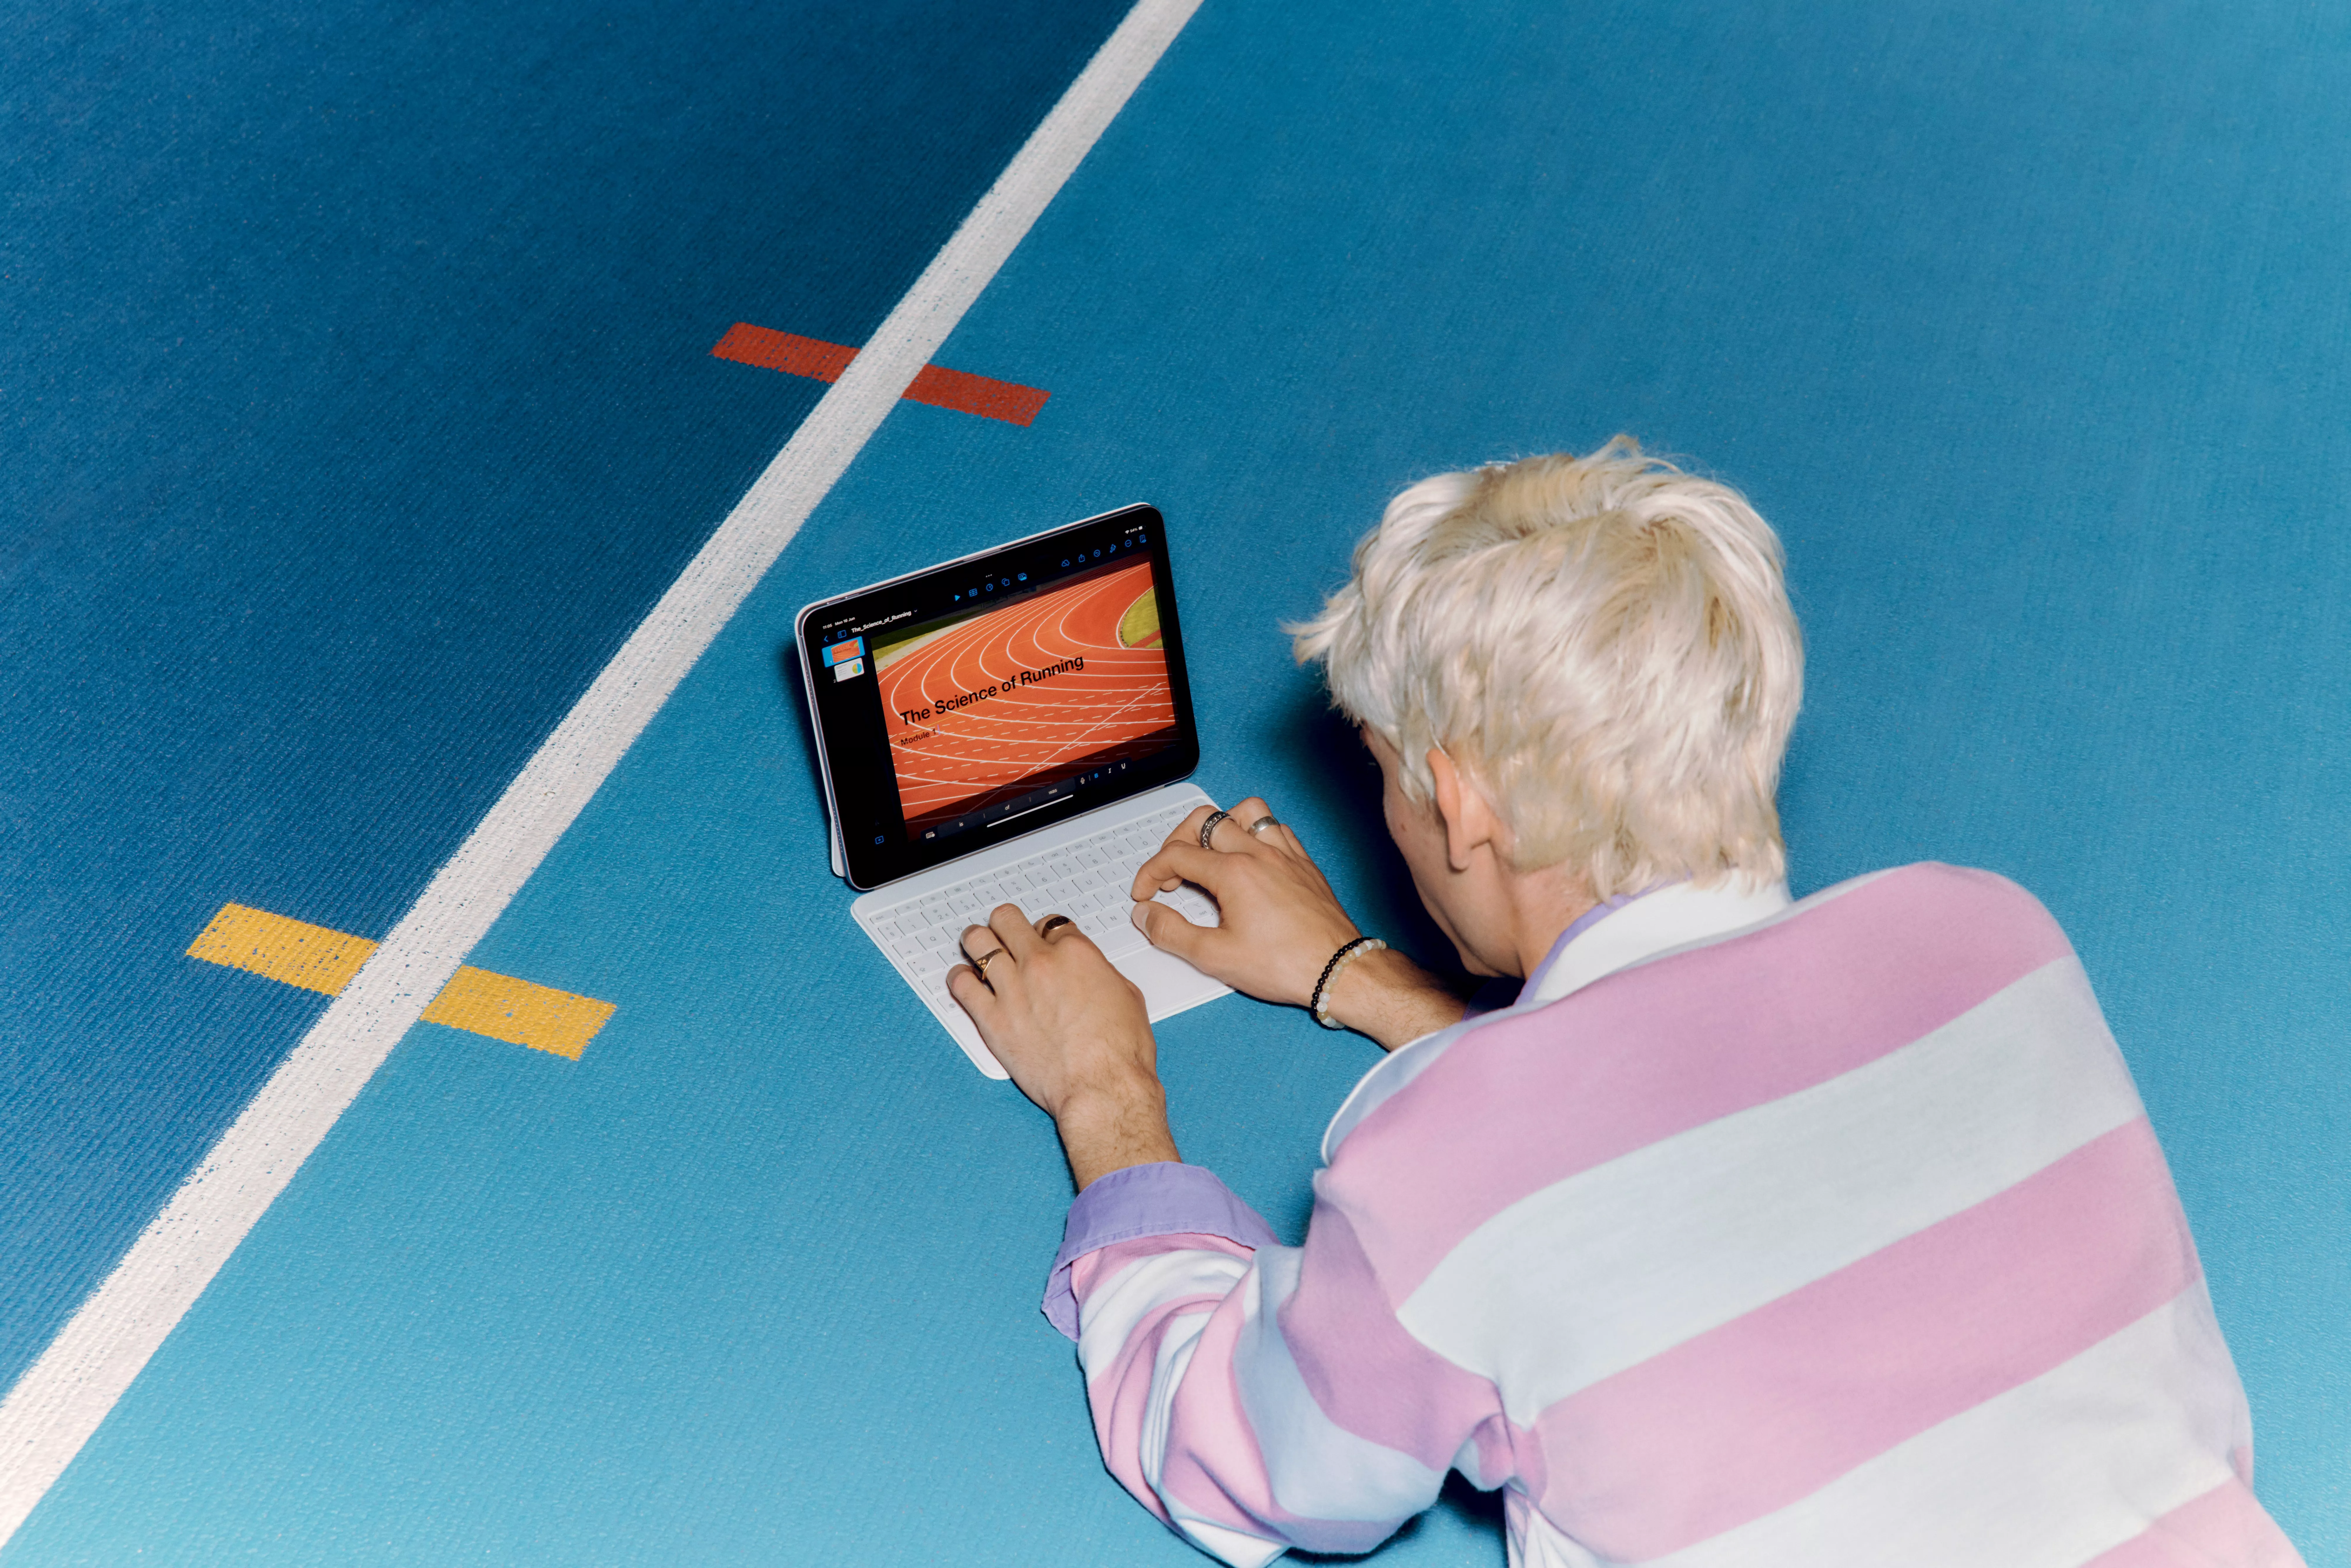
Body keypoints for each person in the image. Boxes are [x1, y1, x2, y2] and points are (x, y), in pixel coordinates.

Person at [943, 439, 2303, 1568]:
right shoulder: (1990, 934)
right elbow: (1704, 1146)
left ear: (1462, 802)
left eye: (1389, 781)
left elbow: (1243, 1461)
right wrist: (1366, 981)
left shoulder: (1444, 1171)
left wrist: (1107, 1096)